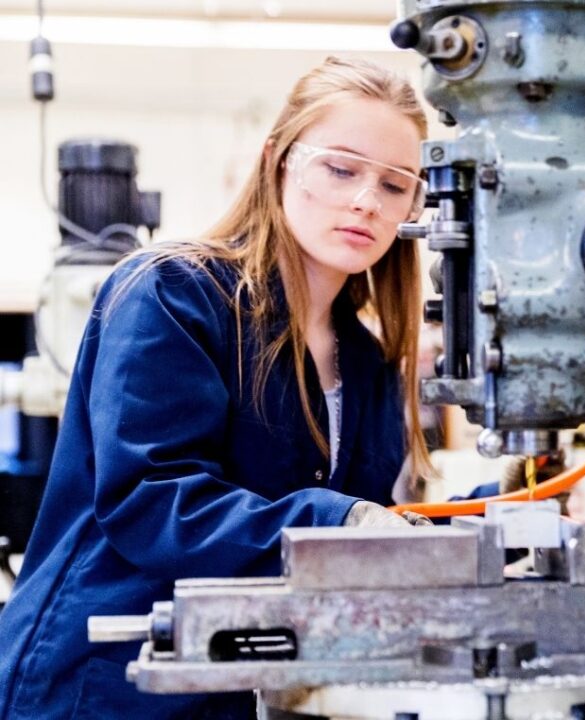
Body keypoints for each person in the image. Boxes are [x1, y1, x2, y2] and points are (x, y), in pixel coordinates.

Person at [0, 56, 435, 719]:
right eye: (341, 168)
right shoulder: (173, 294)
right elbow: (152, 499)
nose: (367, 201)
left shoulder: (369, 362)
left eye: (395, 184)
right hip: (107, 686)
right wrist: (335, 522)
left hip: (249, 686)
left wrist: (496, 516)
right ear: (278, 161)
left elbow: (364, 527)